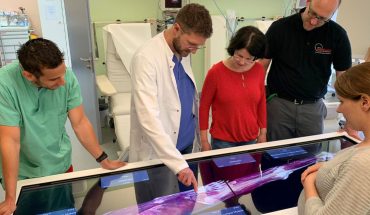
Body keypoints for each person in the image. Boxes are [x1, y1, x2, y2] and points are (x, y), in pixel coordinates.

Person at [0, 38, 125, 215]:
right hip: (24, 174)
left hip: (59, 164)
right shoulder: (4, 85)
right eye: (54, 79)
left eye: (63, 74)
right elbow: (10, 141)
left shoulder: (66, 77)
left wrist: (104, 160)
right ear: (29, 75)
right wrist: (11, 197)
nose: (63, 82)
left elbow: (80, 122)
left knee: (62, 210)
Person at [129, 3, 212, 196]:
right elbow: (148, 117)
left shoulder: (181, 51)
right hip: (160, 155)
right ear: (176, 29)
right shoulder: (146, 58)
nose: (194, 51)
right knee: (161, 208)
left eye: (199, 46)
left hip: (186, 149)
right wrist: (178, 164)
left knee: (186, 204)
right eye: (192, 44)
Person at [261, 0, 352, 141]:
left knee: (310, 158)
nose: (314, 21)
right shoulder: (280, 28)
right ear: (308, 1)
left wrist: (350, 121)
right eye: (313, 13)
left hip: (313, 108)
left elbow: (344, 80)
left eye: (322, 19)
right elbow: (261, 67)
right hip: (279, 106)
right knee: (274, 157)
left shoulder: (338, 35)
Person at [298, 62, 370, 215]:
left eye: (342, 101)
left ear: (365, 102)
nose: (339, 108)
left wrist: (309, 182)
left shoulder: (363, 164)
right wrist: (330, 168)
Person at [199, 25, 267, 151]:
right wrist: (204, 141)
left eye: (249, 59)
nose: (242, 62)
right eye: (239, 55)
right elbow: (203, 107)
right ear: (233, 48)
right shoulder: (216, 72)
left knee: (249, 171)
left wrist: (263, 132)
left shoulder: (258, 70)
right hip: (223, 142)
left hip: (250, 139)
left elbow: (261, 103)